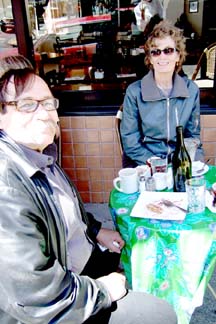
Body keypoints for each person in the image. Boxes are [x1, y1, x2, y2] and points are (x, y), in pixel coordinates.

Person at [0, 55, 177, 324]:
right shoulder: (6, 188)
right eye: (26, 105)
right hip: (60, 304)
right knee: (159, 315)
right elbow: (40, 299)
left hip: (80, 264)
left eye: (48, 103)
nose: (44, 113)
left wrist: (95, 230)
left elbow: (61, 212)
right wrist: (104, 290)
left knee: (145, 256)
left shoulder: (38, 153)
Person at [120, 20, 204, 167]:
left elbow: (193, 137)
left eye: (168, 50)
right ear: (150, 59)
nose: (162, 56)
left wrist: (194, 164)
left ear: (178, 56)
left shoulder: (191, 90)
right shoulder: (135, 92)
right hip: (145, 163)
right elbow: (130, 141)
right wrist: (159, 165)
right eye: (156, 52)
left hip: (180, 161)